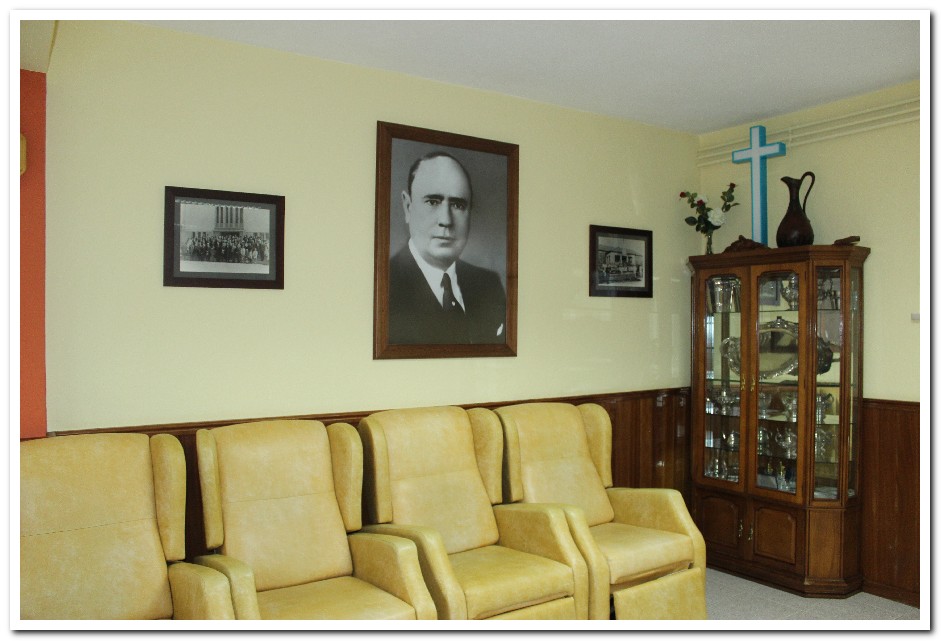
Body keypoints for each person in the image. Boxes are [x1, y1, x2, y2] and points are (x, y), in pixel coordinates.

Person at [388, 151, 506, 345]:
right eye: (433, 202)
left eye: (458, 205)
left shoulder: (489, 285)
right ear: (408, 207)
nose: (446, 220)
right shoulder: (385, 286)